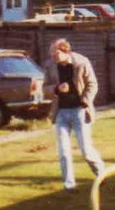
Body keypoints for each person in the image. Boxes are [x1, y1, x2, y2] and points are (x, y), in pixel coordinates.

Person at [43, 39, 105, 191]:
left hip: (79, 111)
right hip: (61, 113)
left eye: (56, 52)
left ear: (66, 51)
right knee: (63, 151)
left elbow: (93, 84)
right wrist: (57, 89)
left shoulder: (81, 62)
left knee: (86, 150)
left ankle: (101, 173)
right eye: (51, 52)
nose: (53, 56)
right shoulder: (50, 66)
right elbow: (44, 88)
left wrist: (85, 102)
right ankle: (69, 185)